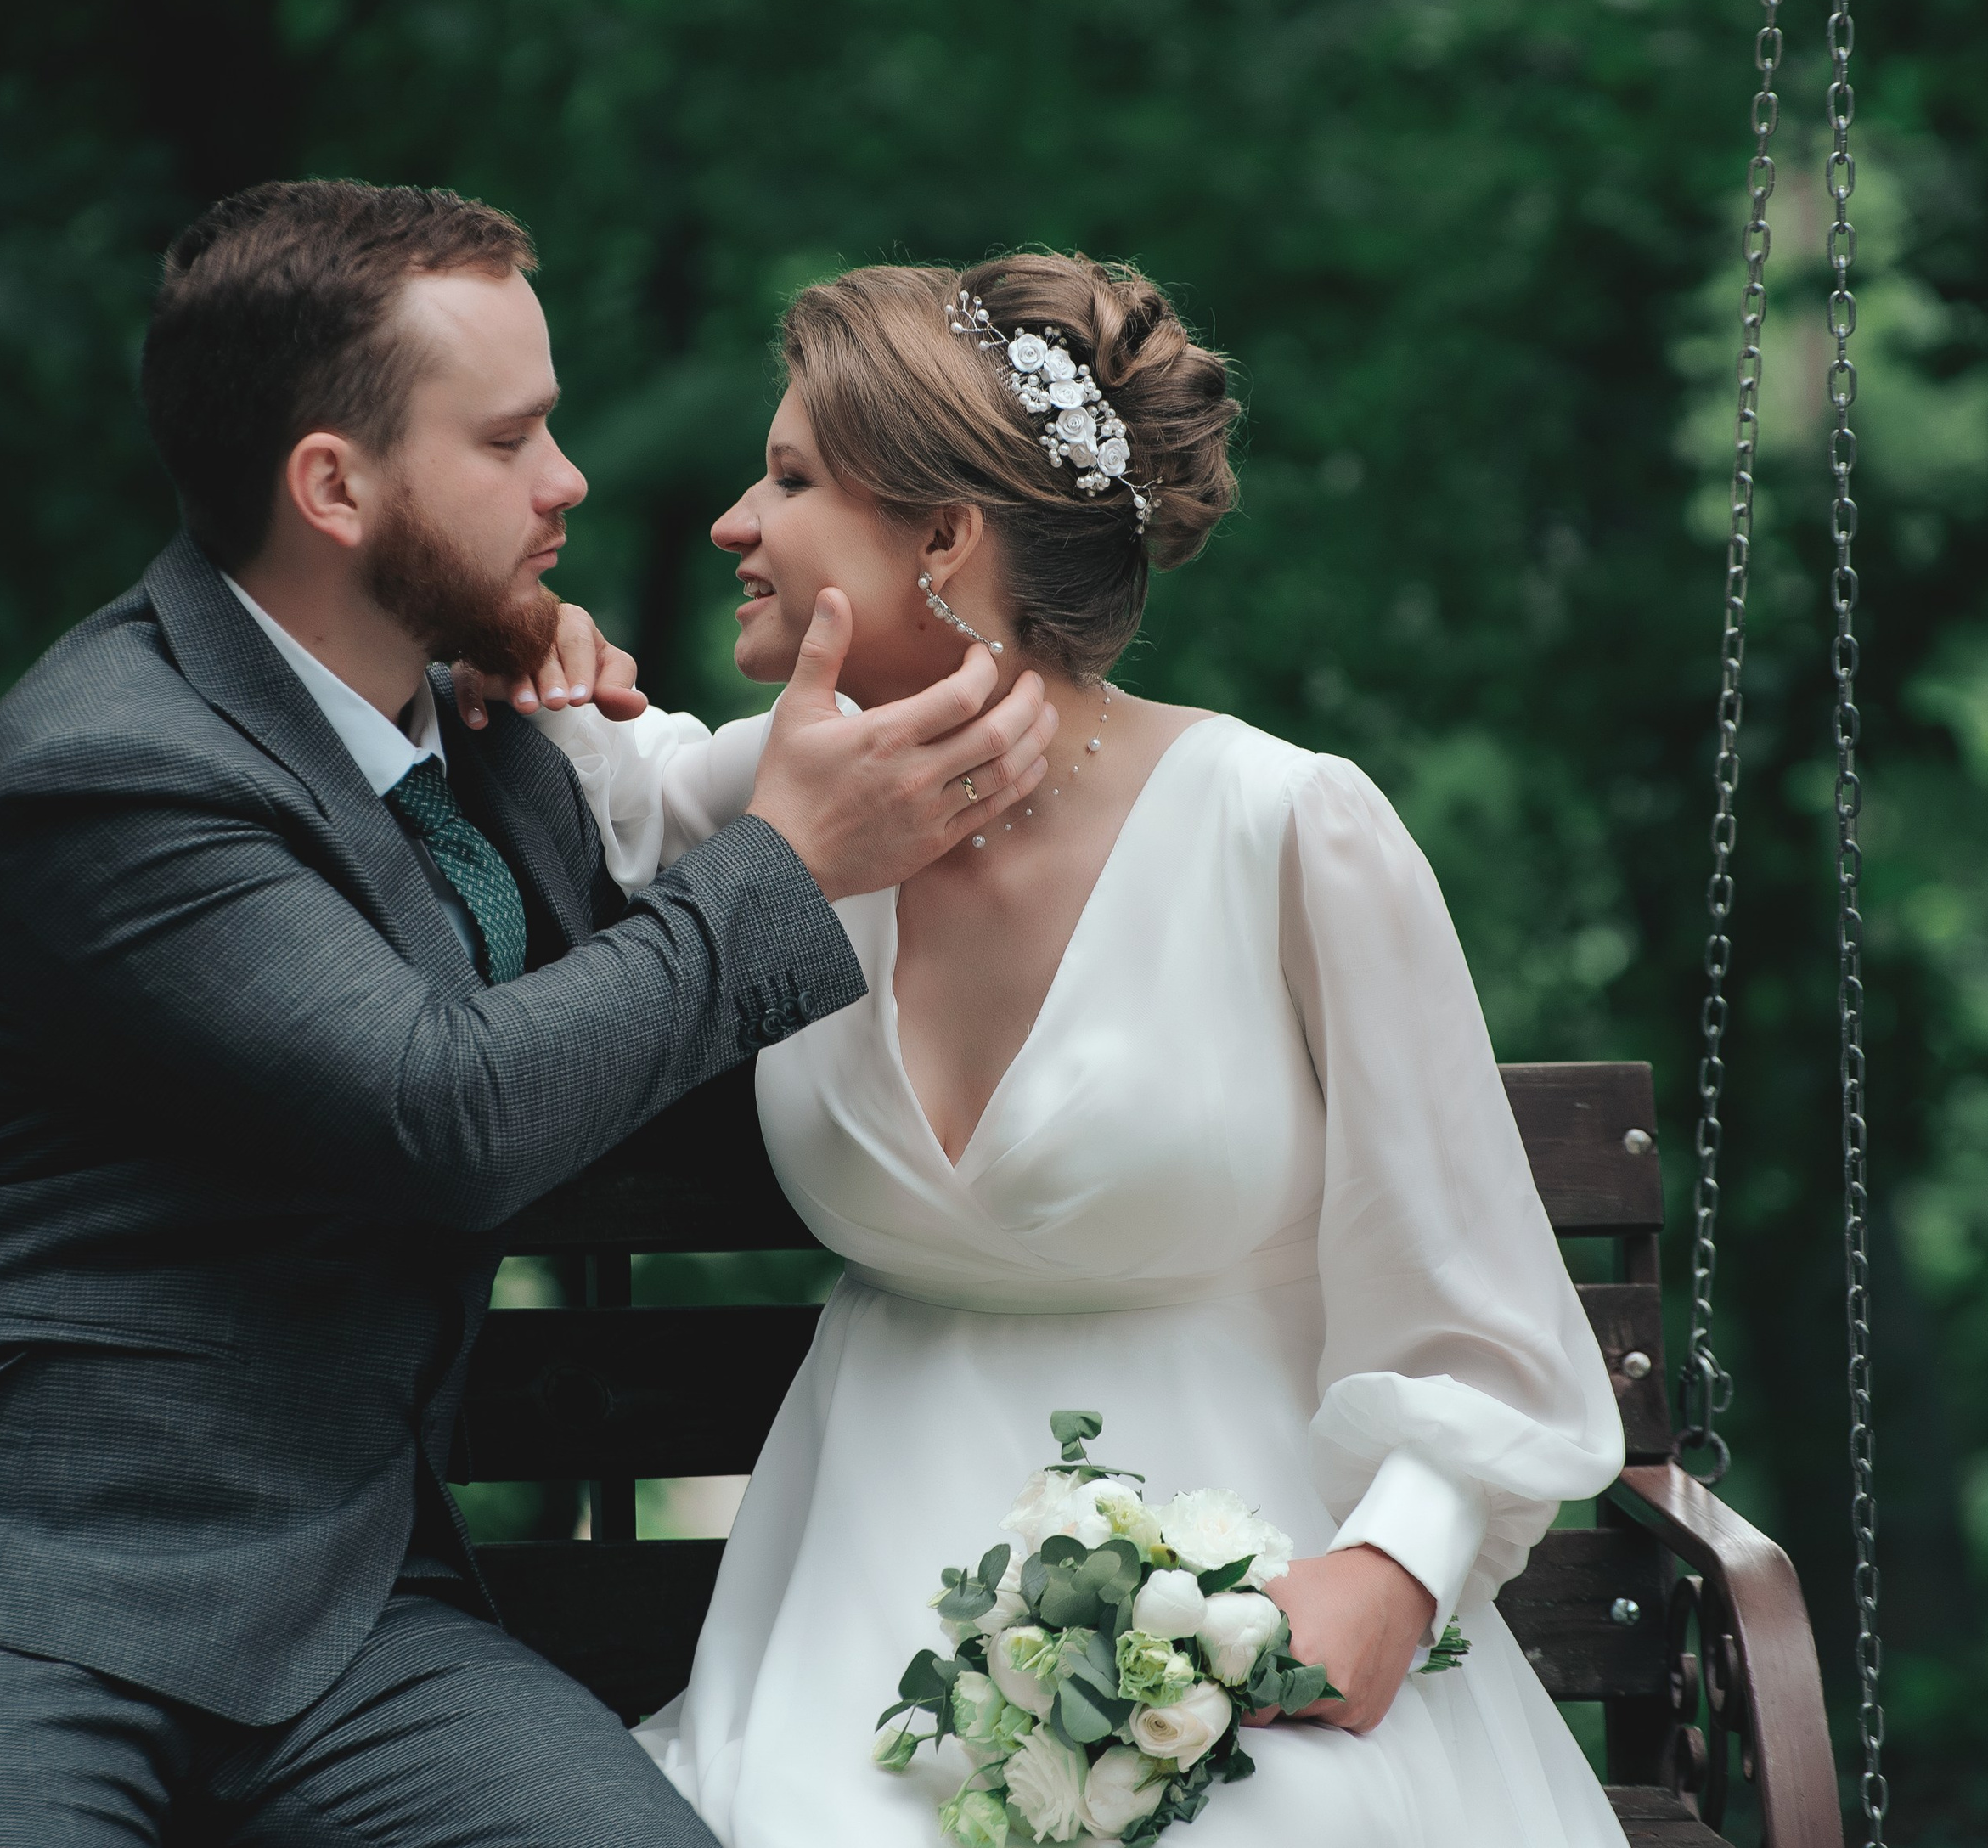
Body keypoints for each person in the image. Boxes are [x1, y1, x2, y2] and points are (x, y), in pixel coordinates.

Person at [0, 182, 1061, 1848]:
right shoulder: (102, 770)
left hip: (343, 1611)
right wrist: (794, 861)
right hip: (5, 1578)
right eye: (509, 439)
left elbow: (625, 1005)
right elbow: (446, 1109)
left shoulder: (478, 728)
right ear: (332, 484)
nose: (569, 482)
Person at [524, 253, 1630, 1846]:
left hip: (1239, 1587)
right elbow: (599, 798)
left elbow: (1481, 1311)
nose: (731, 526)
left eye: (788, 480)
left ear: (943, 540)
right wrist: (530, 636)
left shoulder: (1288, 828)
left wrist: (1390, 1569)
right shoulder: (795, 801)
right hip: (866, 1606)